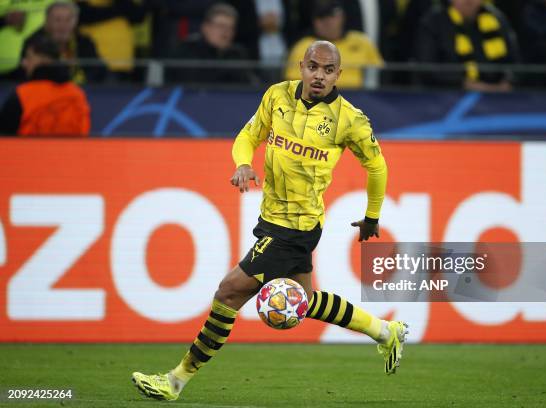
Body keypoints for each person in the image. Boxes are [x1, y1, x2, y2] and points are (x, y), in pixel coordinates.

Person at [131, 40, 408, 401]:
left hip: (296, 225)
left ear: (339, 74)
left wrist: (373, 216)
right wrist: (243, 162)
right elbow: (249, 135)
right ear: (301, 67)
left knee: (228, 292)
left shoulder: (349, 120)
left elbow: (376, 165)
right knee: (305, 300)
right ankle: (387, 332)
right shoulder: (277, 96)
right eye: (313, 66)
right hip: (273, 218)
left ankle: (176, 380)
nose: (319, 75)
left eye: (327, 70)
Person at [416, 0, 520, 92]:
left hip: (499, 95)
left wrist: (507, 82)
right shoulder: (434, 21)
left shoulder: (496, 18)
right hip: (447, 96)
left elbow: (516, 62)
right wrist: (463, 84)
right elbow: (427, 69)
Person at [0, 35, 90, 136]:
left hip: (30, 151)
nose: (24, 63)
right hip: (72, 151)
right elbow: (84, 133)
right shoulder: (77, 94)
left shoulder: (22, 95)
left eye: (29, 58)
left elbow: (4, 140)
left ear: (43, 61)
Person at [285, 0, 383, 89]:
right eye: (321, 17)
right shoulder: (303, 46)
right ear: (314, 22)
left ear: (342, 17)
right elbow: (295, 84)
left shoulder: (361, 41)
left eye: (331, 16)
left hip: (361, 98)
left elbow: (379, 73)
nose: (327, 22)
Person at [165, 3, 256, 84]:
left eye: (230, 28)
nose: (226, 32)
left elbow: (251, 84)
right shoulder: (186, 50)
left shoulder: (237, 54)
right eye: (221, 26)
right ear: (205, 27)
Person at [22, 1, 107, 83]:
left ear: (76, 22)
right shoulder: (34, 44)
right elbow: (27, 76)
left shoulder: (84, 42)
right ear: (47, 21)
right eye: (57, 20)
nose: (63, 26)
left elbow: (99, 71)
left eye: (68, 20)